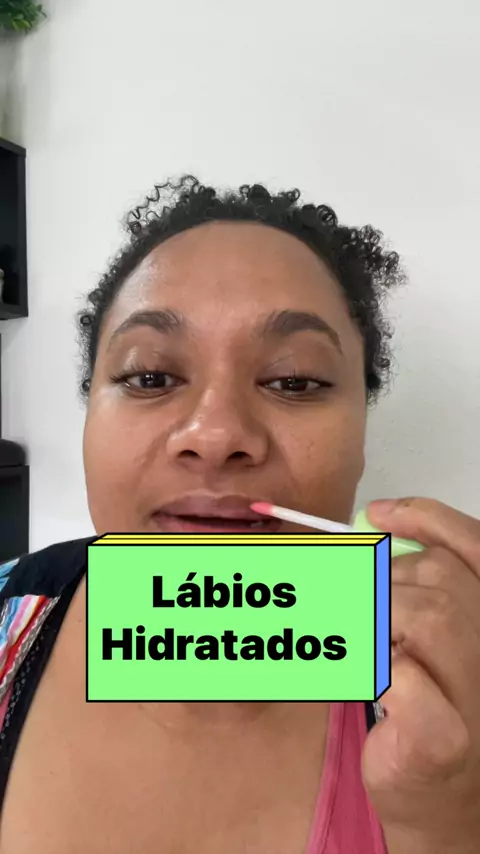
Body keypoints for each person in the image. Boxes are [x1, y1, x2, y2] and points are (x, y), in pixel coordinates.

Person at [0, 176, 479, 853]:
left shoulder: (453, 686)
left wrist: (449, 825)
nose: (216, 433)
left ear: (363, 432)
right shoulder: (9, 620)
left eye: (294, 380)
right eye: (150, 377)